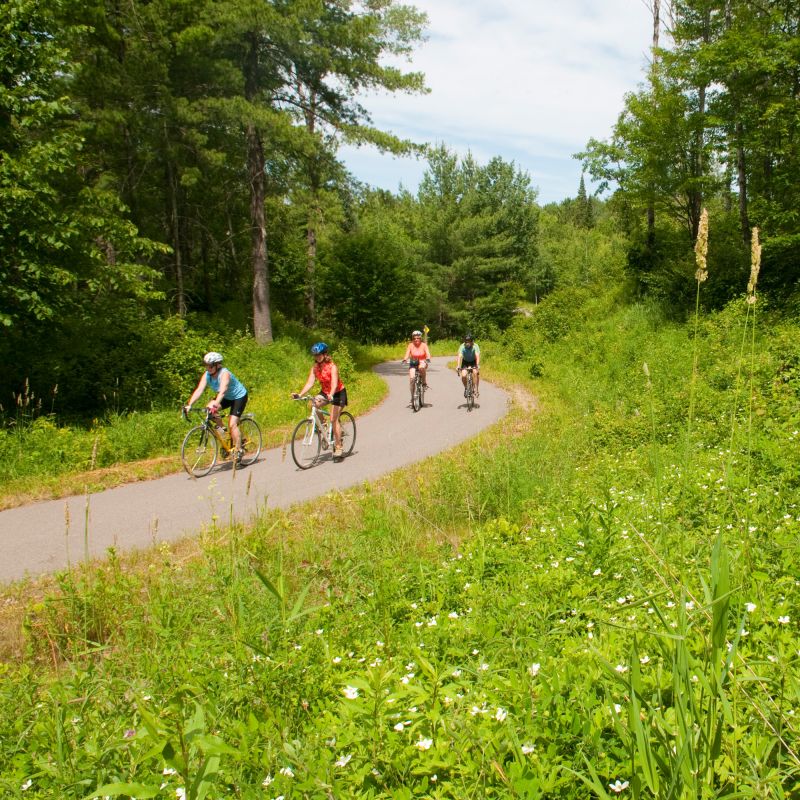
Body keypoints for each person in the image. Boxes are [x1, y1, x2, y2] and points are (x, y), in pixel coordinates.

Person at [184, 352, 249, 461]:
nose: (208, 368)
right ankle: (223, 431)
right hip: (226, 398)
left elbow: (222, 391)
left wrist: (215, 405)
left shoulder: (225, 374)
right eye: (206, 365)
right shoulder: (207, 375)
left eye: (210, 365)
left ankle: (238, 450)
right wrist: (190, 404)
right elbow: (199, 389)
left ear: (218, 365)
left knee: (232, 424)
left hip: (238, 397)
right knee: (209, 409)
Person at [292, 342, 348, 461]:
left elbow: (334, 383)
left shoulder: (332, 367)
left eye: (319, 355)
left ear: (324, 354)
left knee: (334, 419)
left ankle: (338, 447)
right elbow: (310, 382)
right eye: (315, 356)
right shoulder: (315, 368)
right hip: (325, 392)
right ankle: (323, 425)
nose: (317, 357)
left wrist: (331, 394)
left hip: (337, 393)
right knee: (313, 403)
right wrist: (300, 394)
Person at [402, 329, 431, 404]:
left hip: (422, 362)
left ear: (420, 338)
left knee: (421, 368)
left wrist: (427, 358)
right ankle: (412, 397)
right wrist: (405, 359)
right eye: (414, 338)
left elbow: (427, 353)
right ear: (412, 338)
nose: (416, 339)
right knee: (412, 379)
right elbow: (407, 353)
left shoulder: (424, 345)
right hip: (413, 363)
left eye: (418, 338)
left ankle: (424, 383)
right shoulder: (410, 345)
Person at [456, 333, 480, 397]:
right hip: (465, 362)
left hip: (473, 362)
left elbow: (477, 356)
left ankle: (475, 388)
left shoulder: (475, 346)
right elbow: (460, 356)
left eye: (469, 342)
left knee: (475, 372)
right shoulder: (462, 346)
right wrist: (458, 365)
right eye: (466, 342)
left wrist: (477, 365)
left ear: (472, 342)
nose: (467, 343)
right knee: (463, 375)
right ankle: (466, 388)